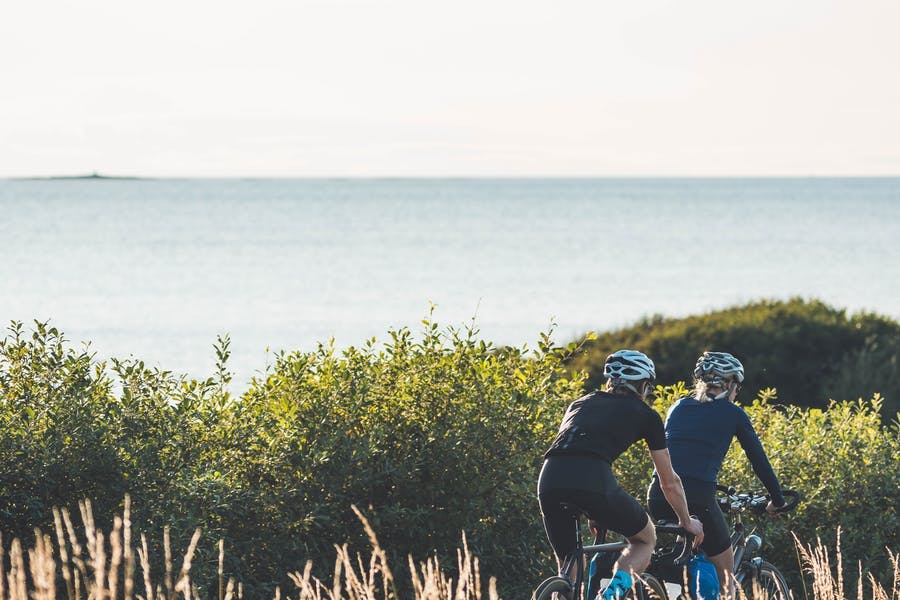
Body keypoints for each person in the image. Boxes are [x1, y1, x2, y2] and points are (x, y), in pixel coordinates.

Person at [538, 349, 704, 600]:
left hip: (549, 479)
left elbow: (575, 450)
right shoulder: (646, 415)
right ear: (644, 385)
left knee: (569, 567)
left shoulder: (579, 404)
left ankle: (563, 590)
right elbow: (669, 482)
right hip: (593, 480)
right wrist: (686, 521)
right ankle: (610, 596)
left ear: (610, 380)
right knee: (645, 539)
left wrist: (593, 509)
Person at [647, 351, 786, 600]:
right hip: (699, 498)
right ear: (730, 384)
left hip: (659, 495)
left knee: (684, 557)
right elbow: (759, 460)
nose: (736, 393)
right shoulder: (733, 414)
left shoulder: (678, 407)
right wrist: (777, 499)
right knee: (727, 577)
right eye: (736, 387)